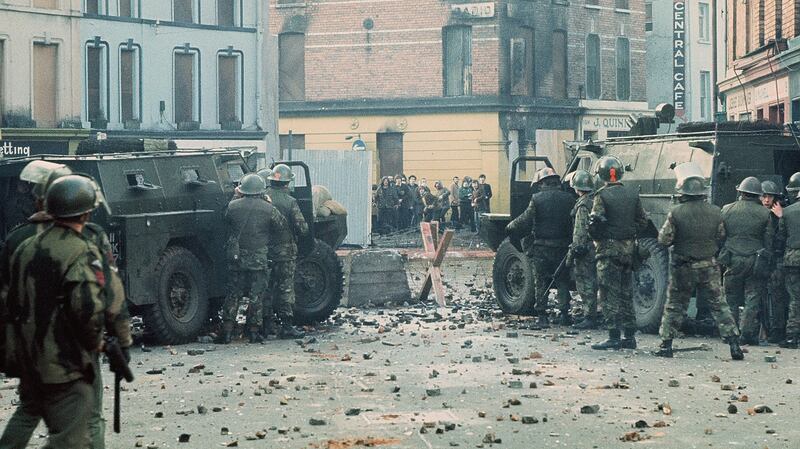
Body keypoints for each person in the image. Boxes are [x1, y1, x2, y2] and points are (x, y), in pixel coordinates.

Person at [0, 164, 132, 449]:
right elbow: (97, 302)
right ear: (85, 212)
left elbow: (8, 299)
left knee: (28, 410)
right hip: (69, 357)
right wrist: (112, 341)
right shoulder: (87, 243)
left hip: (29, 352)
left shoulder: (21, 242)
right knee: (85, 421)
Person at [653, 170, 744, 360]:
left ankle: (666, 345)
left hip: (683, 266)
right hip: (709, 265)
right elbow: (721, 236)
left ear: (684, 193)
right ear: (702, 193)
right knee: (719, 305)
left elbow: (664, 239)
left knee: (675, 305)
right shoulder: (715, 211)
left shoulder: (676, 212)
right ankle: (735, 345)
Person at [218, 174, 289, 344]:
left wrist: (235, 196)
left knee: (233, 294)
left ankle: (226, 332)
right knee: (256, 295)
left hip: (237, 258)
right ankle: (254, 333)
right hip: (258, 258)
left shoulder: (233, 206)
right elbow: (282, 225)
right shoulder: (268, 208)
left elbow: (224, 218)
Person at [588, 155, 648, 350]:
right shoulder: (632, 194)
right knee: (626, 293)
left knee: (608, 294)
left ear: (602, 175)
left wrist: (600, 235)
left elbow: (595, 223)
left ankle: (613, 336)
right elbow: (643, 222)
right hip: (629, 250)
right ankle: (629, 337)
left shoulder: (601, 195)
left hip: (608, 250)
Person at [506, 167, 575, 327]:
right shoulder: (569, 199)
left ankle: (542, 316)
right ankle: (564, 315)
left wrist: (510, 227)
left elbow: (525, 219)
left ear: (542, 183)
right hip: (563, 247)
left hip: (542, 248)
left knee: (541, 280)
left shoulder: (537, 199)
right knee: (563, 280)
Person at [720, 177, 773, 345]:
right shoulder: (766, 213)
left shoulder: (727, 209)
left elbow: (720, 235)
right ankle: (746, 334)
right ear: (758, 195)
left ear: (741, 192)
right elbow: (769, 240)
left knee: (730, 298)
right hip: (755, 260)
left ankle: (730, 333)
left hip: (732, 259)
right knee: (753, 297)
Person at [265, 164, 308, 339]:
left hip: (264, 251)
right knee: (285, 288)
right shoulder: (290, 201)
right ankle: (287, 326)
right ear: (287, 182)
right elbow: (302, 228)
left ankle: (265, 325)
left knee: (266, 288)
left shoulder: (262, 197)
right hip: (285, 252)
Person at [568, 170, 600, 330]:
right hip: (596, 247)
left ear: (577, 188)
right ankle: (596, 313)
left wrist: (575, 249)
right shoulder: (595, 201)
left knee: (585, 282)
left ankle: (590, 317)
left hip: (585, 249)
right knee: (595, 281)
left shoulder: (582, 205)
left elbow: (579, 231)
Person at [762, 180, 788, 343]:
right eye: (763, 196)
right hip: (763, 259)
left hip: (778, 259)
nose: (766, 200)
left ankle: (778, 330)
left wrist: (782, 217)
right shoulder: (758, 214)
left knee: (778, 297)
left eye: (769, 197)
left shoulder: (781, 215)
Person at [777, 185, 800, 348]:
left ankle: (792, 337)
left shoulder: (788, 212)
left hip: (794, 260)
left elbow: (781, 237)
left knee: (795, 299)